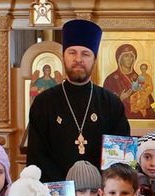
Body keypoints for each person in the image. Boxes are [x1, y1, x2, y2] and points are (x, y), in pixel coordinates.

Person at [27, 19, 130, 182]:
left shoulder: (111, 103)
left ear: (94, 59)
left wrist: (99, 191)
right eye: (72, 52)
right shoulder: (43, 103)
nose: (78, 59)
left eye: (85, 53)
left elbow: (120, 159)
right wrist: (64, 193)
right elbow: (37, 156)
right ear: (63, 57)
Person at [103, 43, 154, 120]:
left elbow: (150, 102)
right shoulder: (111, 79)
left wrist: (145, 100)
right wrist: (120, 98)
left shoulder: (139, 78)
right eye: (126, 56)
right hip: (118, 121)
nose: (129, 59)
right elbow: (105, 104)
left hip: (140, 121)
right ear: (119, 58)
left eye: (131, 56)